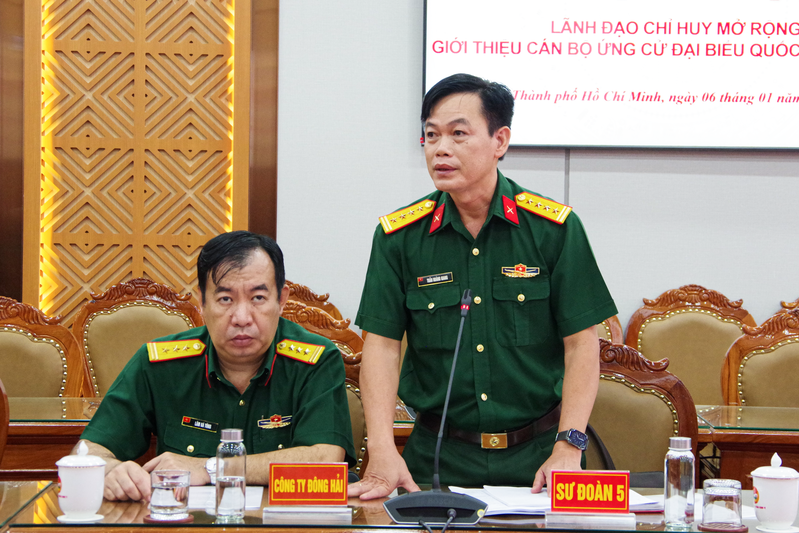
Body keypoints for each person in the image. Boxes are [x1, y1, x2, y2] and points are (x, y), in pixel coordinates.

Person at [349, 73, 617, 499]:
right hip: (437, 457)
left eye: (458, 134)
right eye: (431, 135)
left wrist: (569, 445)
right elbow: (381, 347)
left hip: (540, 460)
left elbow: (581, 345)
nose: (440, 148)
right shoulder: (397, 237)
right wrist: (381, 448)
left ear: (499, 141)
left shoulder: (554, 230)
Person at [77, 231, 355, 501]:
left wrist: (211, 467)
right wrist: (110, 471)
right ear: (201, 302)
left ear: (281, 300)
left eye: (258, 298)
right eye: (225, 299)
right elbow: (87, 451)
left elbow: (325, 460)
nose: (242, 317)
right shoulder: (161, 364)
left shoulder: (315, 360)